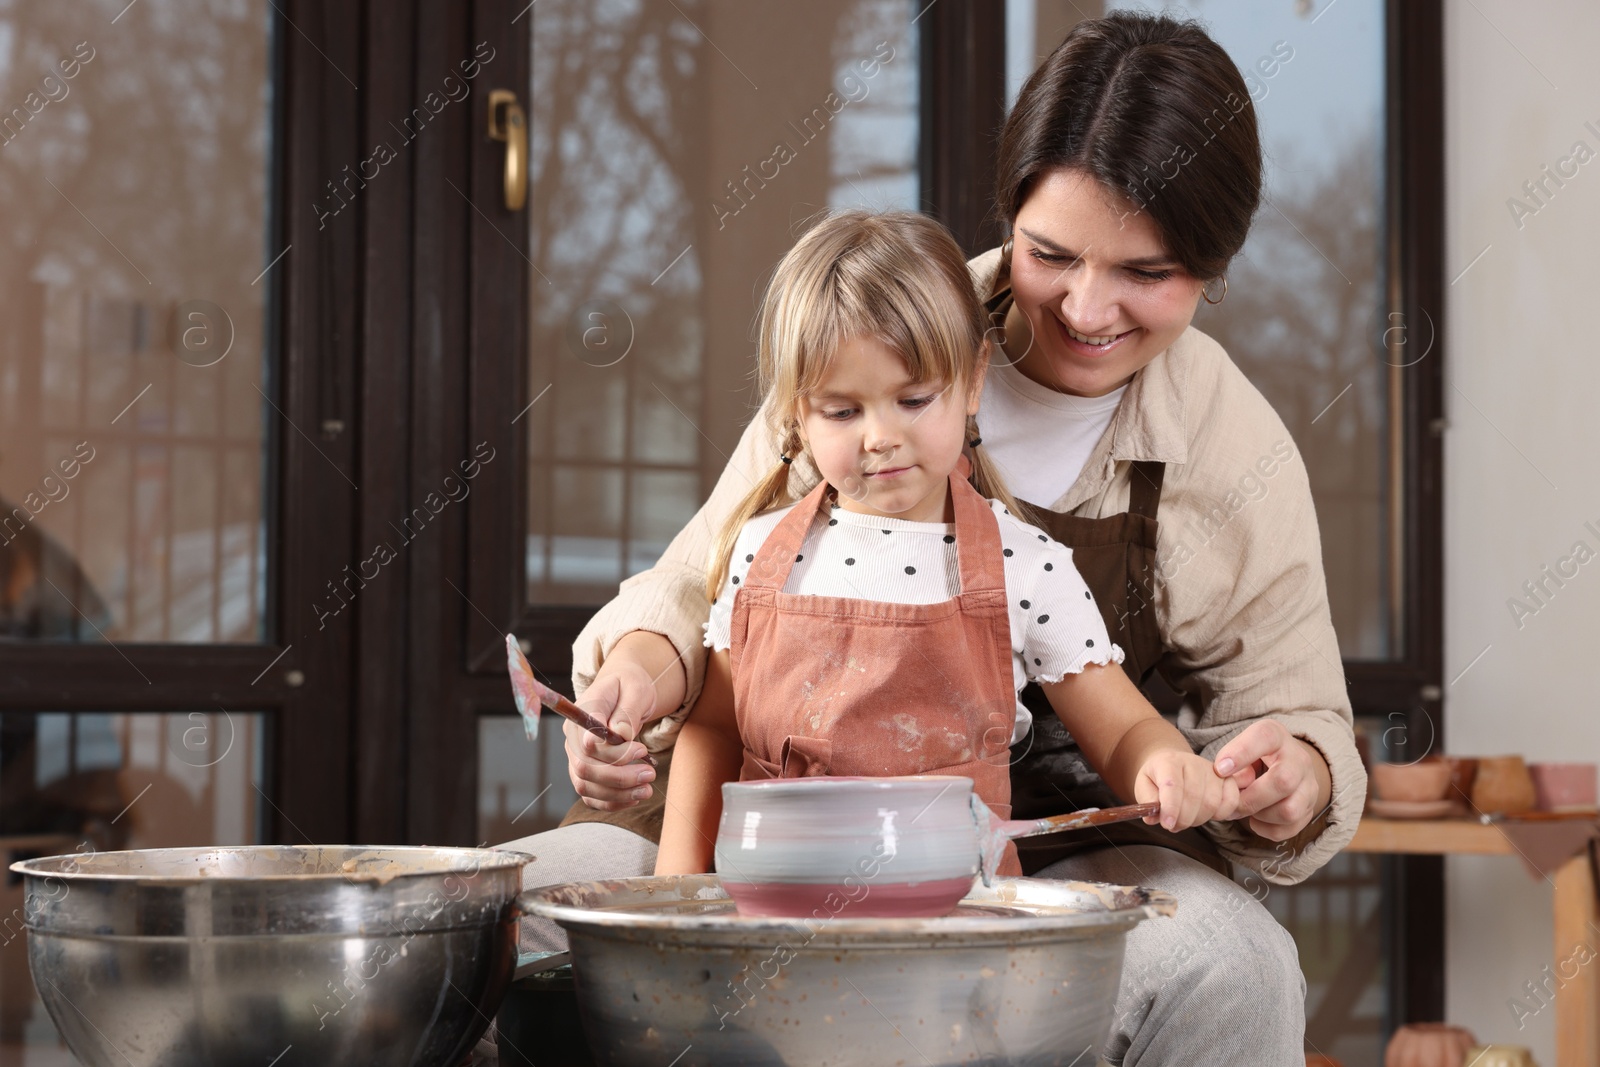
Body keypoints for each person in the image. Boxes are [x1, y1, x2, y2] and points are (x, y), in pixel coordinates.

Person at [503, 12, 1367, 1064]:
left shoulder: (1229, 448)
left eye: (1146, 273)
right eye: (1051, 254)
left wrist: (1291, 773)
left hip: (1041, 856)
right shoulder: (876, 325)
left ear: (1213, 264)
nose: (1086, 308)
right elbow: (693, 597)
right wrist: (640, 674)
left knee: (1235, 965)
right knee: (494, 916)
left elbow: (1282, 712)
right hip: (770, 844)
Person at [652, 209, 1241, 878]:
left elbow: (1125, 730)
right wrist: (674, 891)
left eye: (914, 399)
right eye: (843, 411)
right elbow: (715, 731)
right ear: (796, 414)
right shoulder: (760, 556)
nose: (879, 435)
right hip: (769, 921)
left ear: (973, 380)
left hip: (961, 935)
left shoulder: (1027, 565)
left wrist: (1163, 763)